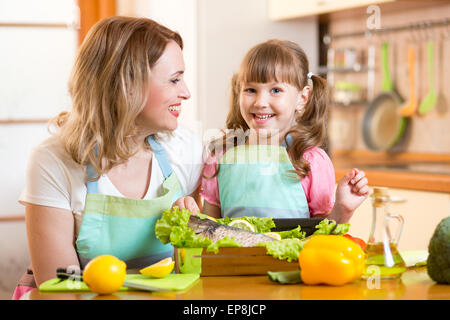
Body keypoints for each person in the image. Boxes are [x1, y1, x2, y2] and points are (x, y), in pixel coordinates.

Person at [12, 16, 203, 299]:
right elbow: (61, 289)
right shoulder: (53, 161)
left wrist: (192, 231)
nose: (185, 92)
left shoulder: (185, 148)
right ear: (128, 86)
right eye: (175, 80)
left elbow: (199, 271)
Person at [200, 39, 369, 222]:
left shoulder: (310, 162)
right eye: (250, 90)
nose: (260, 102)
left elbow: (324, 237)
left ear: (302, 98)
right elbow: (209, 229)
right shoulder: (220, 157)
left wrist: (342, 209)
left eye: (276, 90)